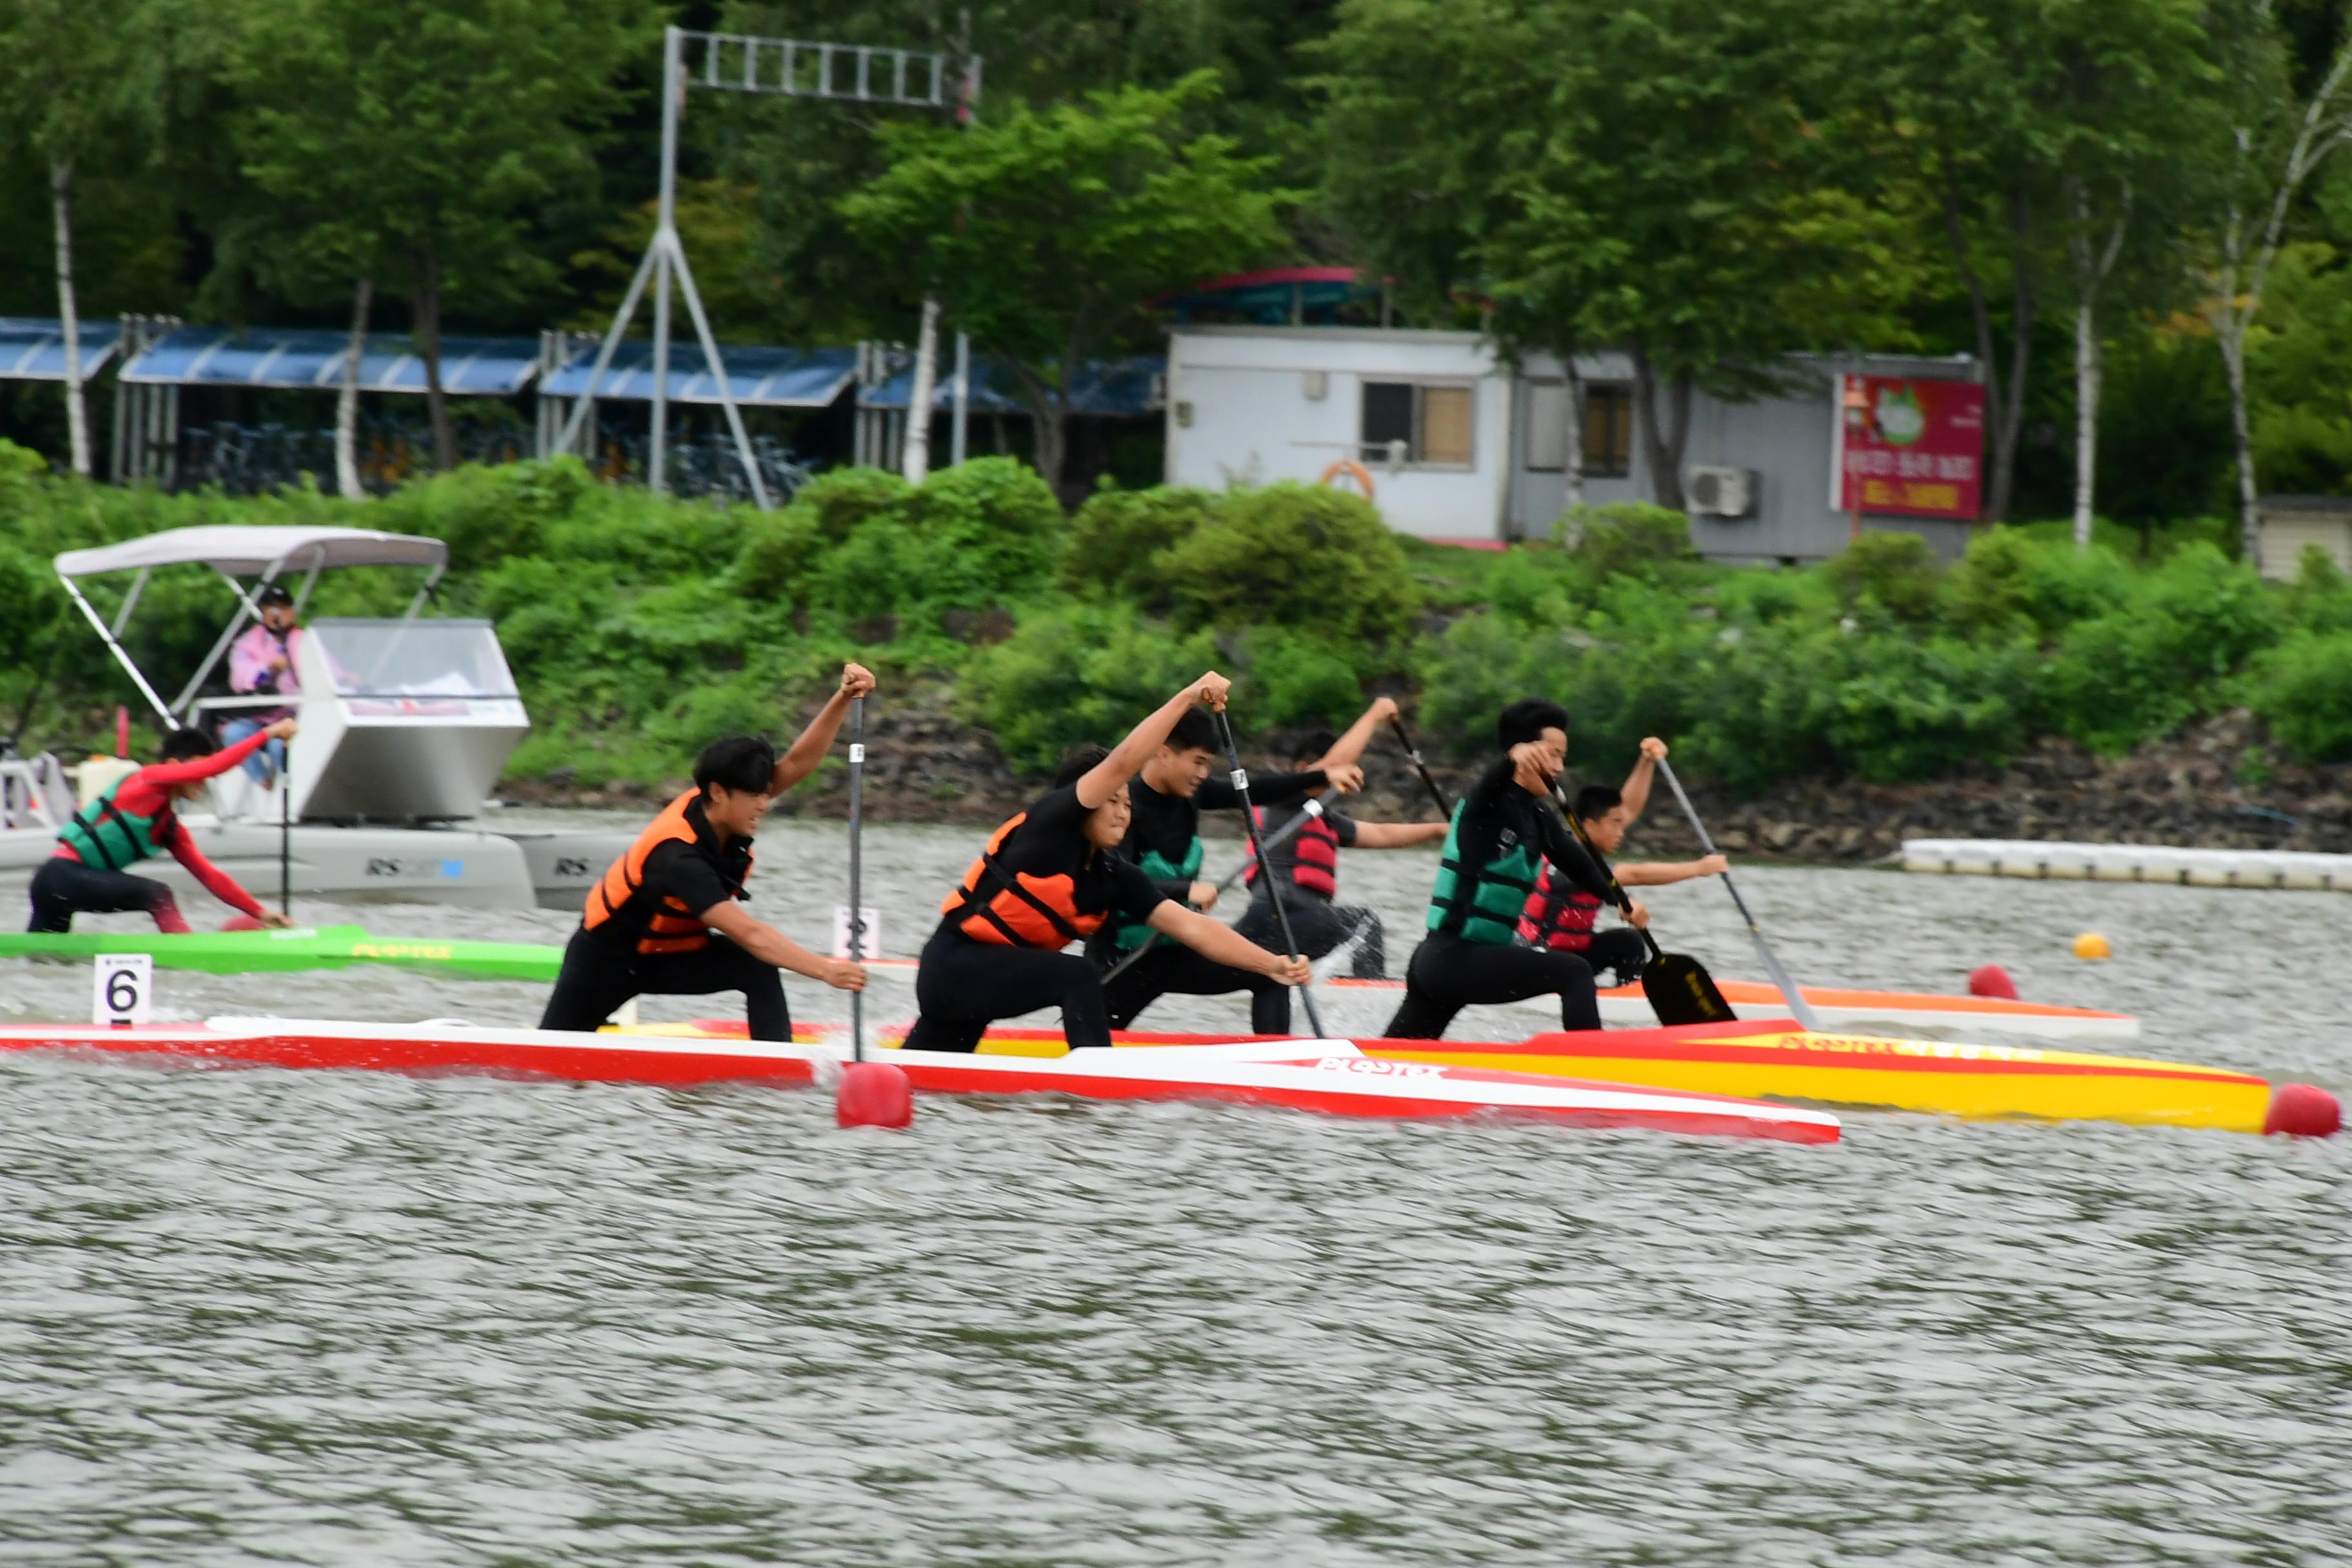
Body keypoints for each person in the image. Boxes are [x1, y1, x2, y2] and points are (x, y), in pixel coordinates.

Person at [905, 672, 1312, 1054]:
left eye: (1128, 804)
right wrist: (1188, 696)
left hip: (988, 986)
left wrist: (1272, 964)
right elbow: (1122, 763)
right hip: (952, 968)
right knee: (1078, 974)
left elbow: (1193, 927)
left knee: (927, 1073)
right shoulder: (1048, 828)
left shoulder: (1115, 877)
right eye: (1111, 802)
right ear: (1082, 805)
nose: (1122, 813)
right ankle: (1096, 1092)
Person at [538, 664, 877, 1042]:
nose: (763, 805)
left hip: (670, 957)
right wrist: (826, 970)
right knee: (544, 1060)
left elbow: (798, 763)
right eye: (755, 796)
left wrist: (843, 698)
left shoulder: (729, 809)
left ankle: (779, 1073)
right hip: (605, 963)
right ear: (718, 792)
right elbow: (751, 932)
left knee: (757, 970)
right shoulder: (677, 857)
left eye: (766, 793)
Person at [1088, 705, 1363, 1035]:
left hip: (1175, 951)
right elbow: (1114, 881)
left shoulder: (1193, 794)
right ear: (1164, 754)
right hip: (1122, 959)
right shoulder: (1125, 806)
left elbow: (1256, 789)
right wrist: (1185, 890)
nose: (1203, 774)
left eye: (1209, 764)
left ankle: (1277, 1066)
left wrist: (1321, 777)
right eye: (1198, 762)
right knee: (1091, 1040)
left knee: (1272, 973)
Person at [1381, 698, 1626, 1041]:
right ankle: (1597, 1069)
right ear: (1523, 751)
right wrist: (1509, 761)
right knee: (1574, 971)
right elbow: (1489, 786)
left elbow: (1585, 870)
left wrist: (1624, 903)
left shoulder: (1539, 818)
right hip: (1451, 958)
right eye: (1552, 754)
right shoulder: (1484, 806)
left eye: (1562, 757)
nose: (1559, 766)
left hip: (1451, 964)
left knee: (1397, 1056)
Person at [1233, 696, 1447, 980]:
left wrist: (1439, 830)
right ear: (1302, 770)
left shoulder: (1325, 819)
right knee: (1365, 923)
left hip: (1278, 924)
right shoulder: (1282, 798)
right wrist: (1374, 715)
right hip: (1282, 916)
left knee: (1273, 987)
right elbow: (1334, 764)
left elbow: (1383, 833)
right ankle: (1368, 995)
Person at [28, 721, 300, 934]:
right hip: (58, 876)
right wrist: (269, 733)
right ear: (173, 766)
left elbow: (210, 877)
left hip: (69, 886)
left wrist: (260, 913)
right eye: (198, 770)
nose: (203, 780)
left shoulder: (170, 829)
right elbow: (217, 767)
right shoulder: (147, 779)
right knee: (157, 895)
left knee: (43, 960)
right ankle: (189, 955)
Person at [1517, 755, 1730, 985]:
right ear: (1589, 825)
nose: (1622, 831)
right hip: (1538, 961)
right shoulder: (1566, 860)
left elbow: (1627, 809)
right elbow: (1635, 874)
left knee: (1628, 941)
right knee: (1623, 942)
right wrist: (1698, 868)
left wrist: (1646, 761)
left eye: (1621, 824)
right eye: (1615, 824)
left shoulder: (1586, 842)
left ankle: (1629, 993)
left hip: (1574, 957)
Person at [221, 583, 307, 787]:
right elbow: (239, 679)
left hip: (293, 716)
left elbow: (326, 669)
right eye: (272, 608)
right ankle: (261, 780)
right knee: (233, 734)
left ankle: (293, 790)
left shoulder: (303, 640)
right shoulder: (248, 642)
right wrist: (268, 669)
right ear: (264, 613)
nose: (279, 614)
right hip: (259, 716)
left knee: (280, 747)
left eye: (284, 608)